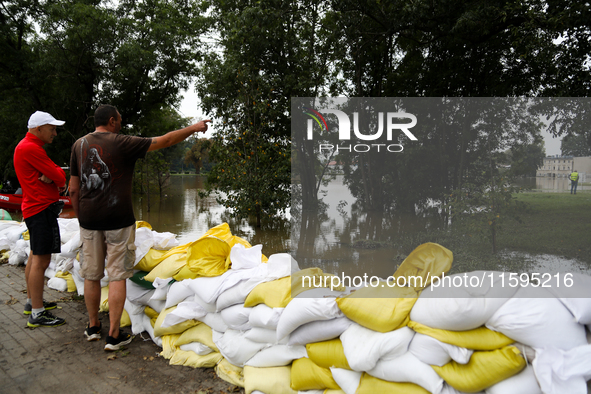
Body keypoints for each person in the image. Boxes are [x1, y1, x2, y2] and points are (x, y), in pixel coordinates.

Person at [69, 104, 210, 351]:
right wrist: (194, 128)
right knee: (117, 275)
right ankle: (113, 335)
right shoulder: (122, 142)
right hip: (118, 220)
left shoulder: (78, 145)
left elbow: (73, 188)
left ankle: (92, 327)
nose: (121, 123)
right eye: (120, 119)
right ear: (112, 121)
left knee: (90, 274)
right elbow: (165, 140)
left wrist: (82, 217)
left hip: (89, 221)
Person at [14, 111, 68, 327]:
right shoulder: (31, 149)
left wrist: (53, 174)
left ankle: (32, 302)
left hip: (34, 208)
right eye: (51, 128)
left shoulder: (28, 147)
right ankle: (37, 313)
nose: (54, 133)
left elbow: (55, 175)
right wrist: (55, 175)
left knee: (35, 255)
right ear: (38, 129)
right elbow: (61, 177)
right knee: (42, 260)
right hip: (40, 209)